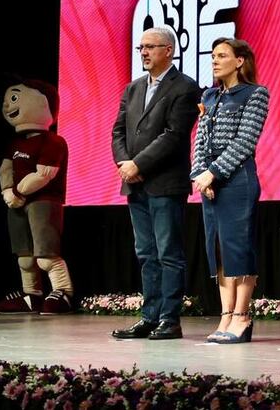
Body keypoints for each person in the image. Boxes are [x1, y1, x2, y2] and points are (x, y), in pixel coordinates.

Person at [110, 27, 201, 340]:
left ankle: (169, 319)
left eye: (151, 47)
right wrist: (125, 164)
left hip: (165, 183)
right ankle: (149, 317)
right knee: (146, 253)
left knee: (168, 253)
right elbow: (118, 131)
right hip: (134, 183)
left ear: (169, 50)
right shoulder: (133, 88)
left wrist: (139, 164)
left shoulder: (185, 87)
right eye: (141, 47)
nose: (144, 53)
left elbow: (174, 136)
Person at [190, 38, 269, 344]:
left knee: (238, 247)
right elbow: (200, 139)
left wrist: (214, 172)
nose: (214, 60)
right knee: (218, 250)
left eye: (221, 55)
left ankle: (242, 316)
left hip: (237, 180)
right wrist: (199, 174)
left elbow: (246, 141)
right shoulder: (209, 96)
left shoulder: (255, 94)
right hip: (209, 182)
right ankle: (225, 315)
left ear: (239, 61)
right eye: (212, 55)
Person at [0, 79, 74, 315]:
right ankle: (32, 294)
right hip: (17, 203)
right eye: (7, 100)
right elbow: (5, 169)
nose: (8, 106)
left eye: (15, 98)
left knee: (46, 254)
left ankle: (63, 292)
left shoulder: (54, 141)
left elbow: (44, 174)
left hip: (44, 201)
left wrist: (17, 192)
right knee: (25, 256)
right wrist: (7, 192)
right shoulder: (15, 143)